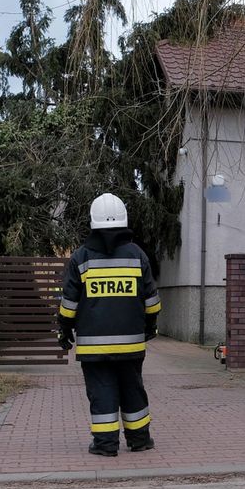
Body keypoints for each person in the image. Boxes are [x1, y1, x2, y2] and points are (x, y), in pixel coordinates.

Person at [57, 193, 162, 456]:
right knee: (133, 390)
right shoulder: (137, 255)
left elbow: (69, 303)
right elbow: (152, 301)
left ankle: (105, 445)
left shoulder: (81, 257)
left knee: (102, 392)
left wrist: (64, 330)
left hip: (94, 348)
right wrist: (150, 327)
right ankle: (140, 440)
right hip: (131, 344)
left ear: (93, 221)